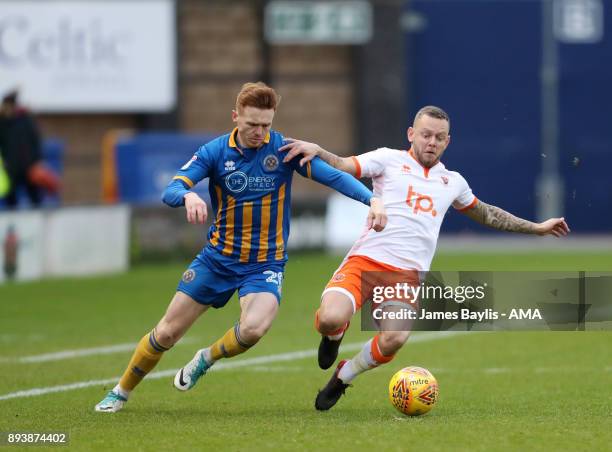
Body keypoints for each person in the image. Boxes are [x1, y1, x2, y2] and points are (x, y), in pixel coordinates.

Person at [94, 82, 386, 413]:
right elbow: (172, 189)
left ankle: (207, 357)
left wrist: (371, 199)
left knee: (254, 328)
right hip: (217, 260)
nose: (260, 132)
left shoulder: (284, 151)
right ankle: (120, 391)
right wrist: (189, 195)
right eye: (252, 125)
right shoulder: (214, 152)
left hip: (264, 264)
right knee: (166, 332)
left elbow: (333, 177)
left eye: (266, 125)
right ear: (235, 117)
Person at [280, 105, 570, 410]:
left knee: (394, 338)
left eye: (439, 137)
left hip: (405, 276)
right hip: (365, 260)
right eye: (426, 134)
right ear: (411, 134)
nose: (432, 142)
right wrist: (318, 150)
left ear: (447, 142)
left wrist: (536, 228)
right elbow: (342, 165)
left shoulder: (453, 182)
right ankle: (334, 335)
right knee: (329, 318)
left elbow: (487, 213)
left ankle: (344, 375)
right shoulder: (387, 159)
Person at [0, 90, 44, 209]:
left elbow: (35, 141)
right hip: (11, 169)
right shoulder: (3, 122)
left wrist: (37, 161)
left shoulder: (25, 120)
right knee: (11, 200)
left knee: (35, 198)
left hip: (28, 166)